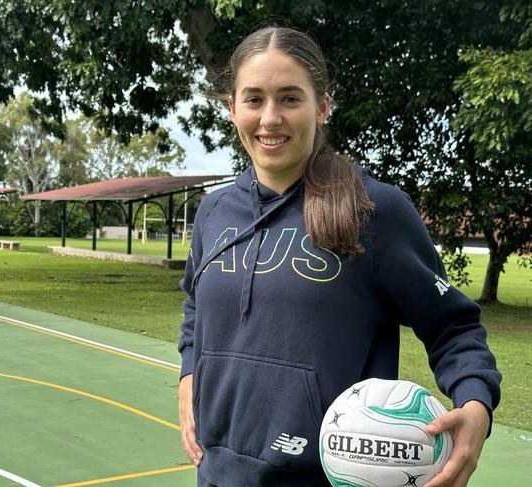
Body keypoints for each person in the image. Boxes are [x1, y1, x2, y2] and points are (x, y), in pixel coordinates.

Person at [177, 26, 501, 487]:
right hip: (217, 474)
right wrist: (190, 377)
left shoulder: (373, 210)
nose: (270, 118)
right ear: (231, 109)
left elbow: (453, 326)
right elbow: (194, 307)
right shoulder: (213, 212)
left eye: (290, 98)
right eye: (253, 100)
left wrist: (475, 406)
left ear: (322, 106)